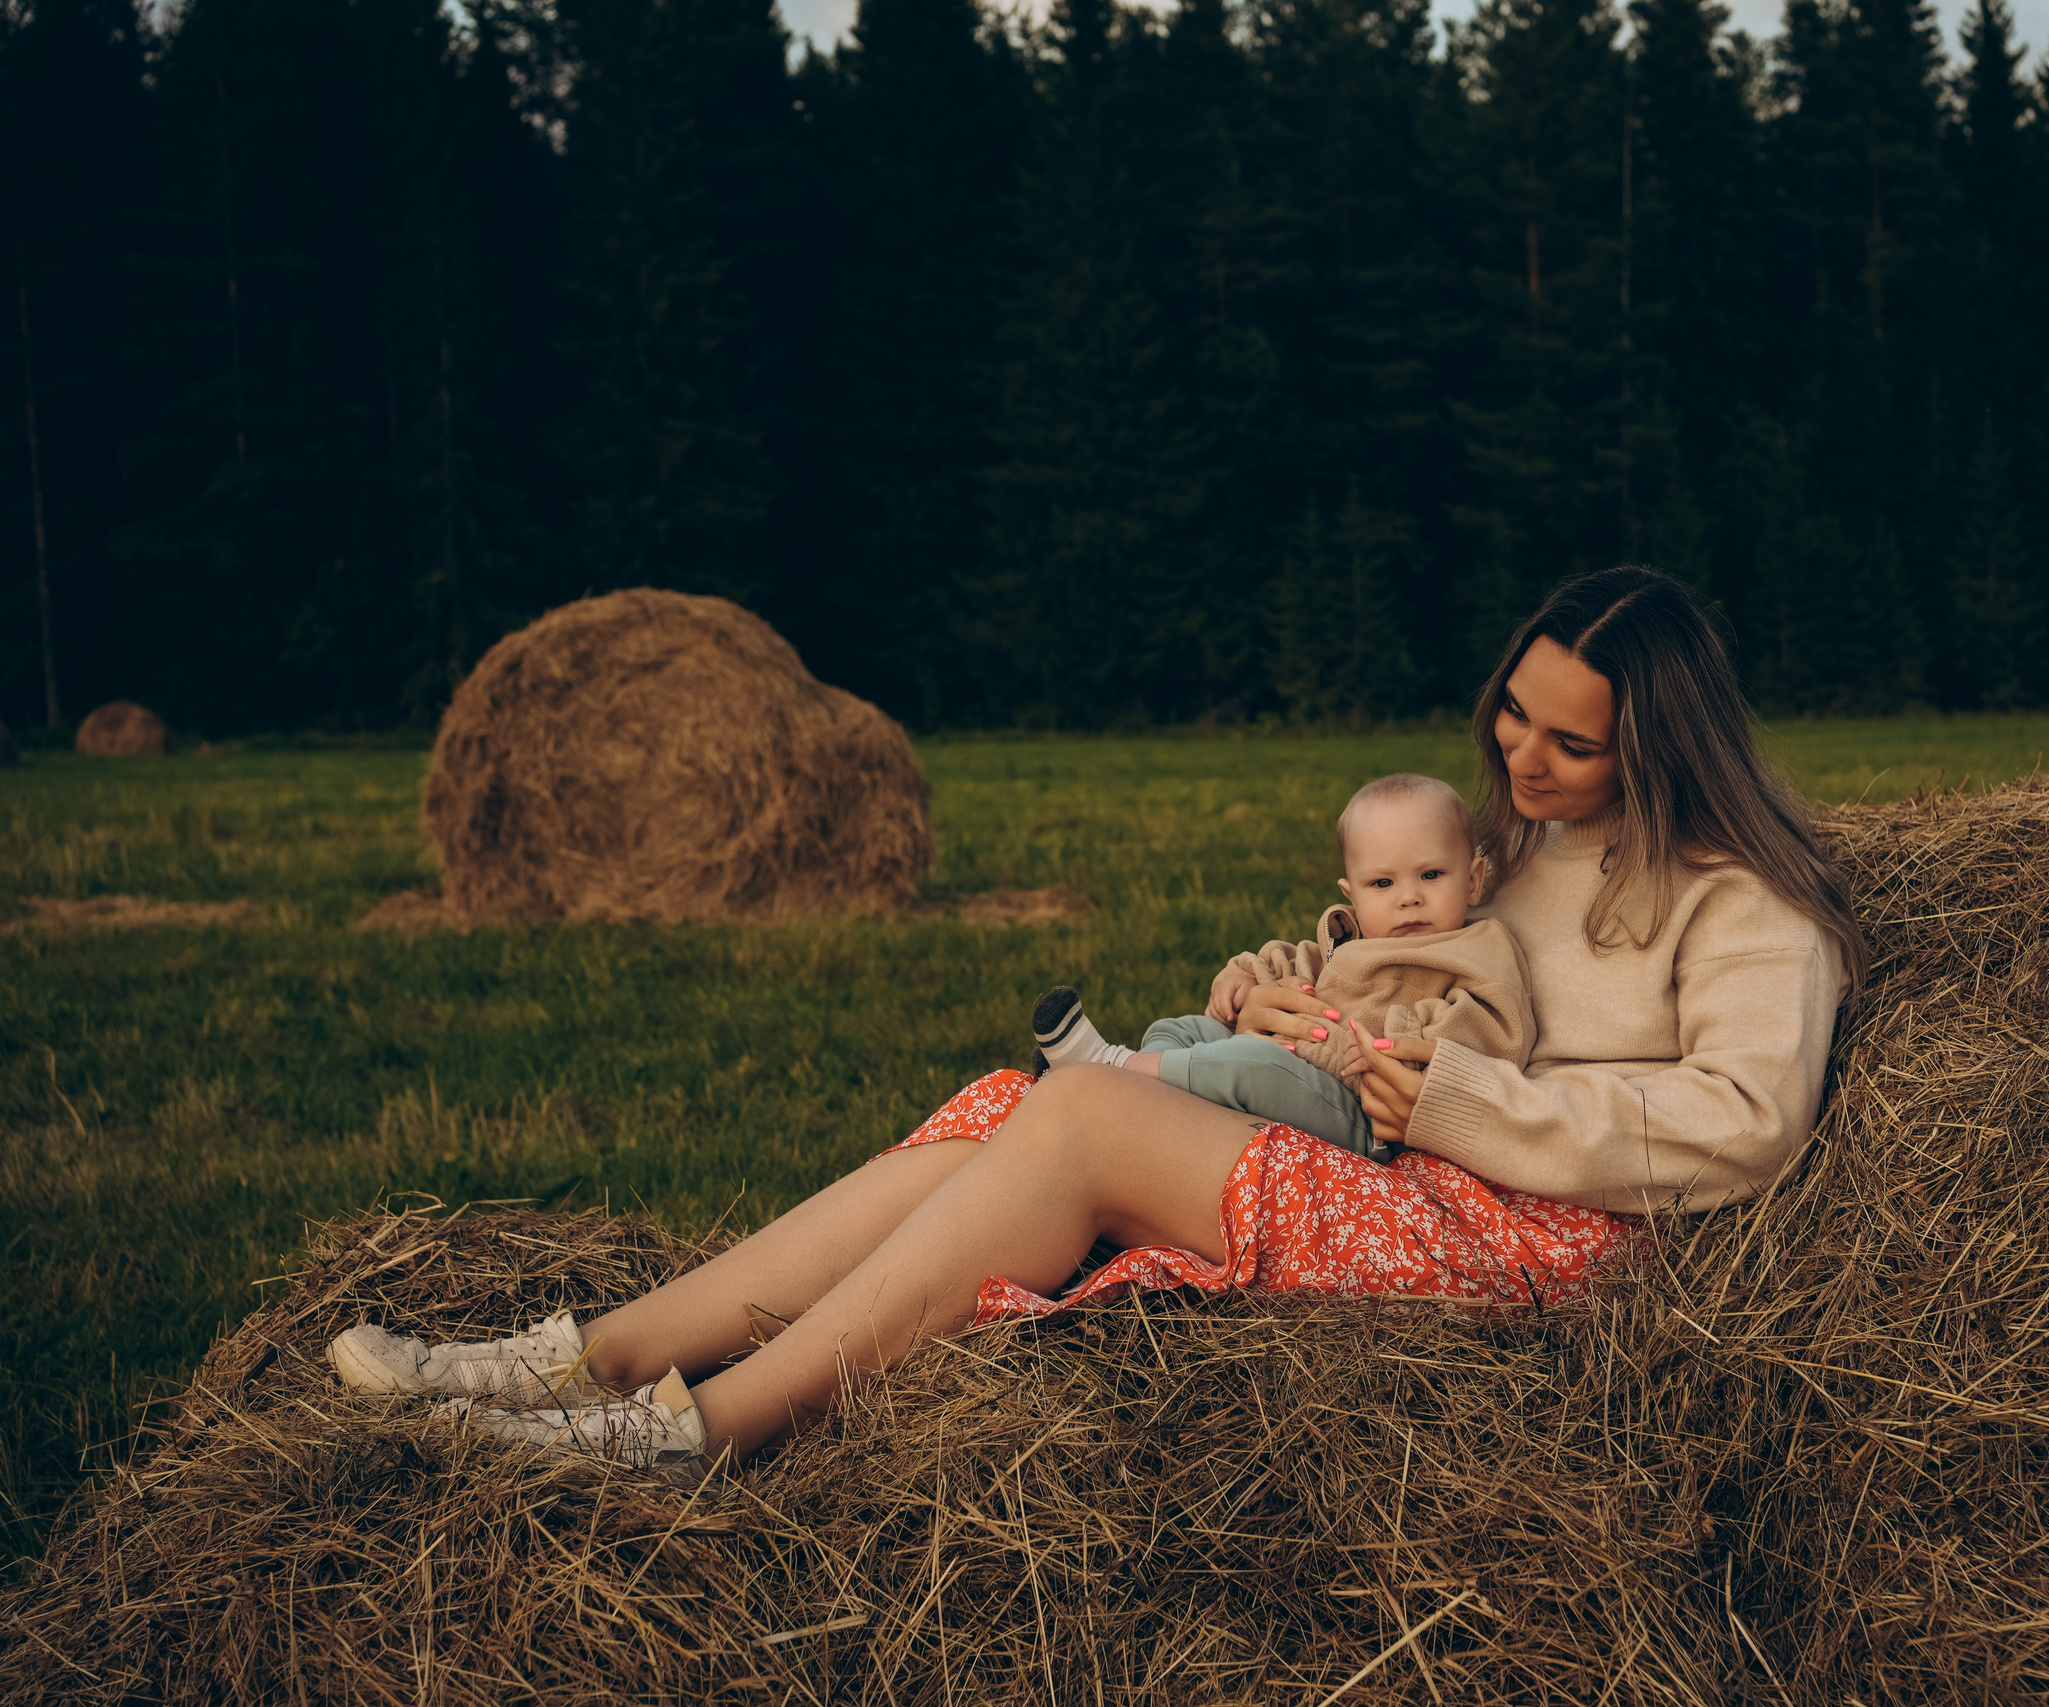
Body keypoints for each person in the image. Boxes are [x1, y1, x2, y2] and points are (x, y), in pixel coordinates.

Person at [328, 567, 1865, 1479]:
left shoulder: (1746, 910)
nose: (1519, 754)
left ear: (1658, 740)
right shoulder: (1521, 838)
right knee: (1015, 1101)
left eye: (1568, 739)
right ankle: (587, 1357)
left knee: (1078, 1113)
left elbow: (1744, 1124)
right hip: (1407, 1162)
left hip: (1532, 1235)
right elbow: (1422, 947)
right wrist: (1291, 978)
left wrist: (1453, 1098)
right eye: (1511, 712)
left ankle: (697, 1435)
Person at [1029, 771, 1537, 1161]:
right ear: (1352, 896)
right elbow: (1292, 961)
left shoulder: (1475, 949)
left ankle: (1110, 1073)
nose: (1408, 898)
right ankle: (1155, 1095)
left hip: (1371, 1117)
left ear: (1473, 880)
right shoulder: (1353, 938)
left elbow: (1493, 1033)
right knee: (1181, 1028)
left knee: (1258, 1066)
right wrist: (1244, 977)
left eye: (1430, 874)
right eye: (1383, 884)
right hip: (1305, 1067)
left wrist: (1367, 1046)